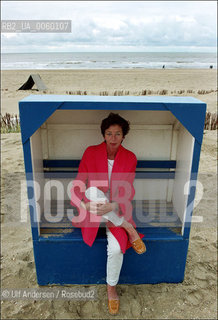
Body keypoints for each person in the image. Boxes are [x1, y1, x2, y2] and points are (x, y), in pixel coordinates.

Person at [70, 113, 146, 315]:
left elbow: (127, 190)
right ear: (104, 134)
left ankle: (111, 289)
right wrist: (85, 206)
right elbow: (78, 186)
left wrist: (112, 205)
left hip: (116, 210)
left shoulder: (130, 158)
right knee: (91, 192)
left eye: (117, 134)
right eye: (109, 133)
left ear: (123, 136)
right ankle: (128, 227)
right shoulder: (91, 153)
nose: (113, 138)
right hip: (93, 211)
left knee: (115, 249)